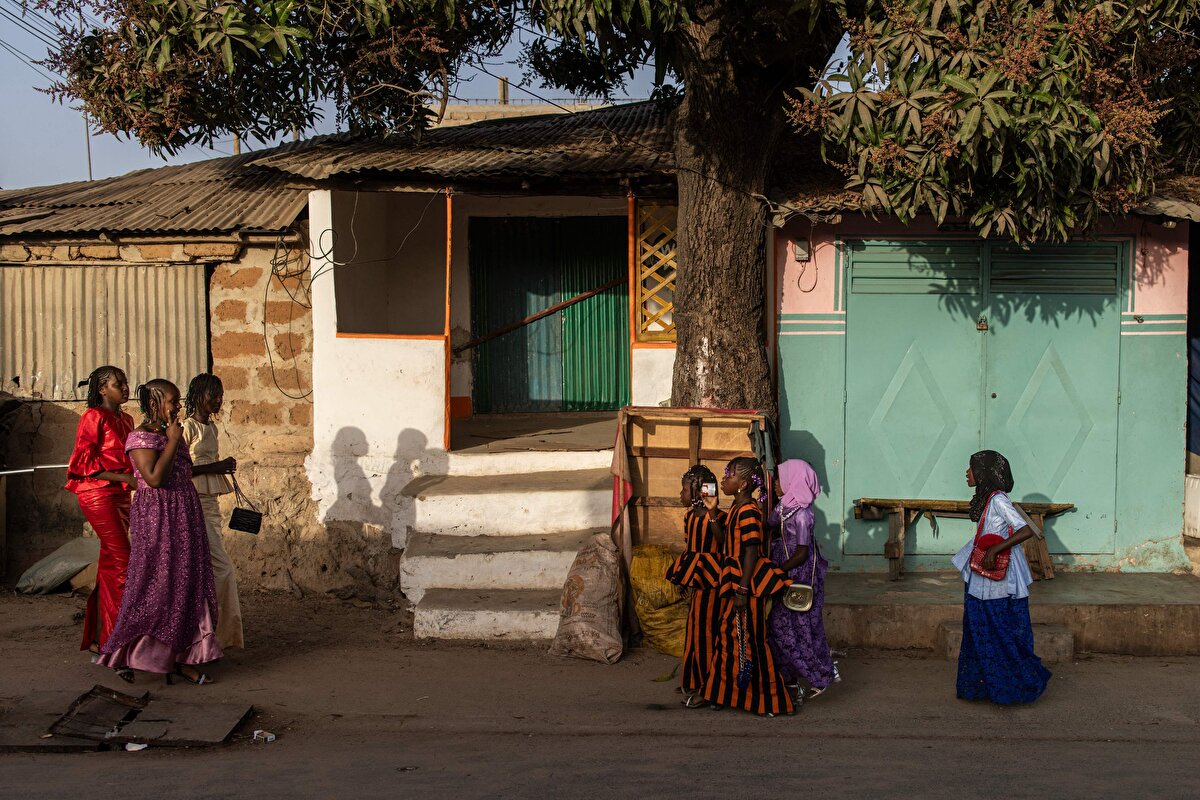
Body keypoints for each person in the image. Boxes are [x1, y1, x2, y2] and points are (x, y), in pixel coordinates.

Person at [97, 379, 222, 684]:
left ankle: (181, 657)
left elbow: (182, 471)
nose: (178, 407)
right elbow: (153, 479)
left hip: (183, 514)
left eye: (178, 401)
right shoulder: (140, 437)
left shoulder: (170, 432)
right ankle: (131, 653)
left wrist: (172, 439)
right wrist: (171, 441)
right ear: (154, 403)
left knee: (186, 584)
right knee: (156, 585)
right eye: (173, 401)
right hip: (158, 518)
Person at [951, 449, 1051, 704]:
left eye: (971, 468)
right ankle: (988, 685)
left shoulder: (998, 500)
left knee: (999, 629)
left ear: (982, 473)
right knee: (984, 630)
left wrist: (995, 549)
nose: (967, 472)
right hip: (986, 573)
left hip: (998, 574)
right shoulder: (988, 500)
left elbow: (1026, 529)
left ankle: (1014, 685)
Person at [701, 456, 794, 717]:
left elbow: (751, 551)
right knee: (730, 637)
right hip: (736, 580)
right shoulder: (735, 510)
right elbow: (723, 542)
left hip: (746, 583)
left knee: (749, 639)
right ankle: (724, 694)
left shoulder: (749, 511)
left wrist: (742, 589)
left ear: (742, 483)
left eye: (728, 475)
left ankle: (769, 701)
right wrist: (712, 511)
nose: (723, 479)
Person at [66, 366, 136, 656]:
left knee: (110, 567)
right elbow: (82, 463)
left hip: (121, 495)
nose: (124, 387)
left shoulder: (128, 418)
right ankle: (122, 640)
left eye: (125, 382)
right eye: (117, 383)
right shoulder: (93, 417)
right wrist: (124, 478)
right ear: (102, 389)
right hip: (98, 495)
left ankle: (100, 637)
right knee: (124, 563)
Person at [182, 373, 244, 650]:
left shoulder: (213, 429)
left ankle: (214, 636)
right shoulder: (187, 428)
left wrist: (221, 466)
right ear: (197, 396)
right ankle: (211, 634)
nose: (218, 400)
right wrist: (215, 467)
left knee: (210, 569)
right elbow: (179, 470)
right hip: (192, 503)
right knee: (223, 569)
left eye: (220, 395)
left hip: (211, 505)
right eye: (213, 395)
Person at [767, 459, 836, 707]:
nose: (777, 484)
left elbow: (802, 553)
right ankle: (790, 677)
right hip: (785, 572)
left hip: (798, 574)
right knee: (781, 626)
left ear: (792, 481)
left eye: (780, 479)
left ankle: (819, 675)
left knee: (796, 626)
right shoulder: (784, 507)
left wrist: (778, 570)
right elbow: (771, 524)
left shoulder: (804, 514)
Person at [665, 464, 725, 708]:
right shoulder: (689, 516)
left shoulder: (718, 517)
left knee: (708, 633)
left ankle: (709, 687)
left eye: (683, 490)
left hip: (713, 581)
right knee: (695, 631)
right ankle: (694, 679)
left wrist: (712, 514)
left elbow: (723, 543)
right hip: (697, 580)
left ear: (699, 491)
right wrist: (683, 578)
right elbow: (691, 550)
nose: (680, 496)